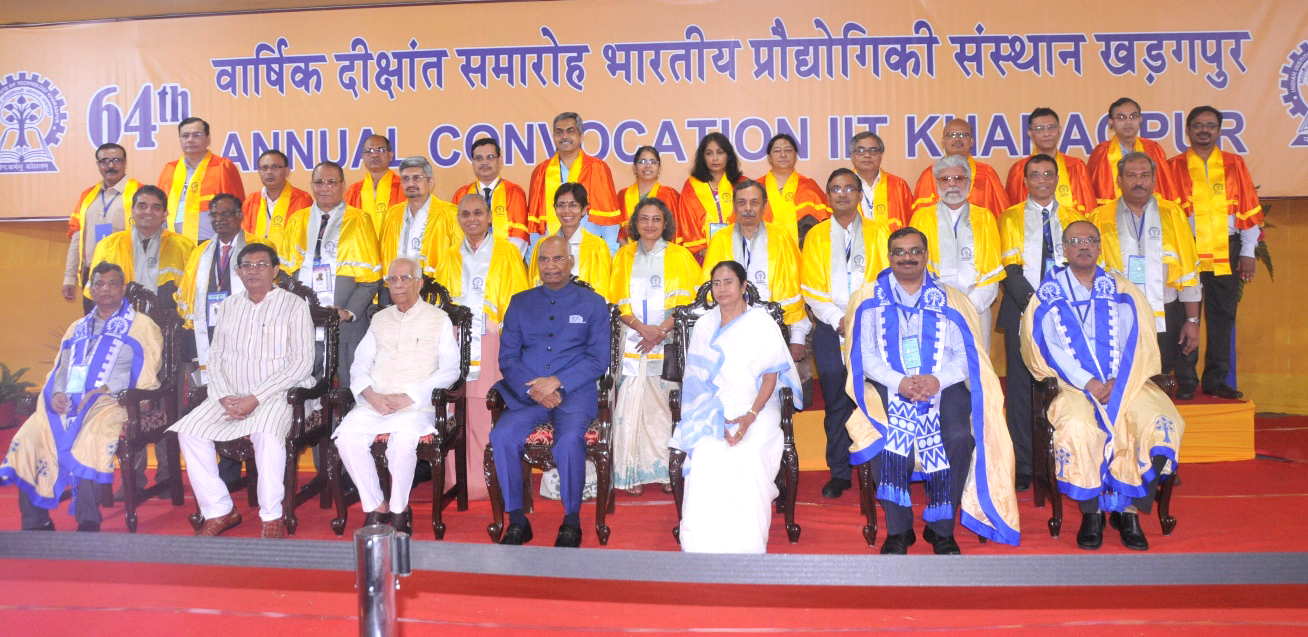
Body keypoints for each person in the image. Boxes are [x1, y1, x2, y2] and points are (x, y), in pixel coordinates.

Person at [844, 228, 1020, 554]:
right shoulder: (868, 298)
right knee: (881, 436)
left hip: (944, 386)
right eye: (899, 252)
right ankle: (899, 530)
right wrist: (900, 382)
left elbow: (967, 354)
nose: (907, 258)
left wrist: (936, 380)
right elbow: (862, 354)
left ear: (926, 256)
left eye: (914, 252)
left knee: (959, 436)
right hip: (888, 386)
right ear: (890, 256)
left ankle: (941, 529)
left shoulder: (951, 298)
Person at [1020, 221, 1184, 551]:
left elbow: (1139, 341)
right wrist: (1088, 382)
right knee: (1079, 426)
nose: (1084, 246)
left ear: (1099, 247)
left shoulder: (1122, 289)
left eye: (1090, 240)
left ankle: (1128, 511)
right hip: (1074, 387)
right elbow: (1045, 346)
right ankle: (1091, 512)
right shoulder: (1047, 295)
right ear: (1064, 249)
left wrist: (1117, 383)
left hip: (1128, 382)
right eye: (1076, 241)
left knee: (1159, 421)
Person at [1, 263, 162, 532]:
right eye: (99, 284)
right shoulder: (77, 327)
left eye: (112, 284)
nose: (105, 289)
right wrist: (58, 393)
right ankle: (36, 520)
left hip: (111, 402)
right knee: (27, 438)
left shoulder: (142, 326)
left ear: (122, 288)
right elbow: (61, 367)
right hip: (67, 403)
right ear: (90, 290)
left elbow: (147, 369)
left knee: (89, 439)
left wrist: (107, 389)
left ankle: (88, 518)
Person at [170, 242, 315, 538]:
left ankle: (272, 515)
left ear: (275, 270)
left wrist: (255, 398)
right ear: (238, 271)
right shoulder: (229, 306)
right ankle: (220, 509)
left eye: (261, 265)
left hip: (278, 393)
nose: (254, 271)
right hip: (231, 394)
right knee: (190, 431)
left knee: (266, 434)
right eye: (247, 265)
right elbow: (216, 357)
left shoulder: (294, 305)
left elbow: (302, 363)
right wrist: (223, 396)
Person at [670, 260, 803, 554]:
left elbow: (771, 376)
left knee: (748, 456)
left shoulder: (761, 322)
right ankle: (702, 548)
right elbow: (695, 379)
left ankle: (748, 547)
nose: (722, 289)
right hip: (713, 406)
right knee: (706, 456)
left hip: (758, 406)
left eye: (729, 282)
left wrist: (749, 417)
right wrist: (717, 415)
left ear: (744, 286)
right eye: (716, 283)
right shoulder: (705, 324)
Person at [491, 235, 611, 547]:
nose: (551, 266)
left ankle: (571, 520)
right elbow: (508, 358)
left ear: (571, 262)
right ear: (536, 264)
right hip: (528, 395)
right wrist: (536, 389)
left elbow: (598, 359)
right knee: (502, 436)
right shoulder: (520, 303)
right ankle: (517, 519)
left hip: (576, 393)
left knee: (569, 440)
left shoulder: (593, 304)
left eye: (558, 259)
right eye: (544, 259)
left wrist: (557, 381)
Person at [332, 258, 461, 532]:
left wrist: (410, 397)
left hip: (417, 406)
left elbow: (451, 369)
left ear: (420, 283)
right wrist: (369, 395)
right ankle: (376, 505)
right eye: (393, 280)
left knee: (401, 445)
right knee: (346, 439)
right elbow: (359, 364)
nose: (398, 284)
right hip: (375, 403)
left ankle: (400, 508)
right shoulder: (379, 319)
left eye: (405, 278)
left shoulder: (439, 319)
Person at [429, 194, 529, 500]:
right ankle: (458, 478)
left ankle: (493, 479)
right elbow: (439, 305)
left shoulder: (507, 252)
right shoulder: (448, 255)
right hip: (456, 343)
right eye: (465, 214)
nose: (471, 219)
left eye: (478, 213)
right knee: (455, 408)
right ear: (458, 220)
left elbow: (518, 302)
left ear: (489, 218)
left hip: (492, 341)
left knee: (489, 406)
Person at [997, 154, 1086, 492]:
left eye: (1048, 174)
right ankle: (1023, 465)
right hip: (1024, 313)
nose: (1042, 180)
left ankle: (1065, 459)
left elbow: (1084, 263)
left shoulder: (1076, 218)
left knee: (1068, 388)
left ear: (1057, 177)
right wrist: (1039, 306)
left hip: (1071, 317)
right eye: (1035, 175)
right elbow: (1009, 268)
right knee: (1020, 393)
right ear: (1026, 181)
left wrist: (1061, 306)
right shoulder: (1010, 218)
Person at [800, 168, 891, 499]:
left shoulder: (880, 232)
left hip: (873, 326)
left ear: (858, 195)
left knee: (876, 398)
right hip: (830, 328)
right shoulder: (816, 236)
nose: (842, 194)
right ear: (828, 196)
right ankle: (839, 471)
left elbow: (888, 280)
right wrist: (841, 319)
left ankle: (883, 470)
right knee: (836, 400)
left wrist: (861, 318)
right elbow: (810, 288)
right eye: (835, 189)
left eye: (849, 188)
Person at [1168, 106, 1263, 399]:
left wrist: (1248, 251)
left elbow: (1247, 210)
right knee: (1185, 315)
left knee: (1223, 315)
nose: (1203, 130)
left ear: (1219, 130)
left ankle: (1216, 380)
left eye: (1210, 125)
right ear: (1187, 130)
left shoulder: (1234, 164)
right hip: (1188, 249)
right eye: (1197, 125)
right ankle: (1185, 379)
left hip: (1227, 249)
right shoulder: (1174, 166)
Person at [1089, 152, 1201, 399]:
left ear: (1154, 180)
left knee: (1158, 384)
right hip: (1116, 316)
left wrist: (1192, 321)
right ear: (1119, 180)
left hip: (1163, 312)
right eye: (1131, 176)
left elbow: (1189, 272)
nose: (1138, 182)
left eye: (1145, 176)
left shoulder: (1172, 214)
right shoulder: (1099, 218)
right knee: (1120, 384)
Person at [607, 197, 700, 495]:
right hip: (632, 339)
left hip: (668, 342)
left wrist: (659, 331)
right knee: (630, 406)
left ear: (665, 223)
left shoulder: (681, 256)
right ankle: (631, 473)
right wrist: (642, 329)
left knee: (664, 408)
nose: (649, 224)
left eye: (656, 219)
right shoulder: (623, 256)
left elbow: (691, 302)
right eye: (644, 219)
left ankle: (665, 470)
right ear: (635, 223)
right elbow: (616, 301)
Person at [279, 161, 382, 387]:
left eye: (332, 182)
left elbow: (372, 279)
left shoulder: (360, 220)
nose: (325, 187)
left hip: (345, 324)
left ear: (343, 185)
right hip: (303, 323)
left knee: (352, 389)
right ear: (312, 186)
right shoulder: (297, 220)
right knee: (302, 388)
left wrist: (348, 312)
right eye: (319, 182)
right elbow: (284, 275)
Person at [700, 179, 809, 361]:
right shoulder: (721, 239)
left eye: (755, 202)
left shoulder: (781, 238)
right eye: (742, 203)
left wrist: (797, 337)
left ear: (764, 206)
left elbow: (793, 288)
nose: (748, 208)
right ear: (734, 207)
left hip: (773, 328)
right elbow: (708, 289)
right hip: (727, 330)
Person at [907, 155, 1004, 349]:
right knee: (935, 368)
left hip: (975, 308)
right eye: (945, 179)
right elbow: (913, 269)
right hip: (931, 309)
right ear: (936, 184)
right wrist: (936, 304)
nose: (952, 184)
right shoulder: (922, 218)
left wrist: (968, 306)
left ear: (968, 182)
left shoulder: (984, 218)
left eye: (959, 178)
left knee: (975, 371)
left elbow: (991, 274)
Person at [177, 193, 256, 382]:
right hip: (210, 328)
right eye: (213, 215)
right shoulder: (199, 253)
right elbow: (188, 295)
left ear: (240, 215)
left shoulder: (258, 247)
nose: (219, 219)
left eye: (225, 213)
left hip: (249, 329)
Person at [88, 185, 196, 310]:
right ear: (132, 210)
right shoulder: (108, 245)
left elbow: (191, 294)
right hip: (121, 324)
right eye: (142, 206)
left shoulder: (184, 247)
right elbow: (95, 294)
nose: (148, 211)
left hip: (170, 323)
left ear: (165, 214)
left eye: (156, 207)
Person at [527, 112, 623, 252]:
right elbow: (535, 224)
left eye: (570, 131)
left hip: (590, 253)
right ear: (553, 136)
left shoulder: (597, 168)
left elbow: (609, 221)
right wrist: (534, 257)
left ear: (581, 135)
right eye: (559, 132)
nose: (564, 136)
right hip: (551, 257)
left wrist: (610, 255)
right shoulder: (540, 172)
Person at [63, 143, 141, 312]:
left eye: (116, 160)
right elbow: (77, 239)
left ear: (125, 162)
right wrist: (69, 278)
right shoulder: (87, 196)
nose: (111, 165)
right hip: (93, 275)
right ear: (98, 164)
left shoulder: (139, 193)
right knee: (95, 329)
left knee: (127, 329)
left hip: (126, 275)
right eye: (104, 161)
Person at [377, 156, 458, 304]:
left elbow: (459, 260)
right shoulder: (391, 215)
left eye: (417, 178)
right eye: (405, 179)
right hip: (395, 293)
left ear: (430, 182)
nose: (411, 183)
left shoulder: (449, 213)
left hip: (434, 293)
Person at [156, 117, 245, 242]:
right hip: (173, 242)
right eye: (185, 136)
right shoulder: (170, 169)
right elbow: (159, 207)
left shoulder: (222, 166)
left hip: (211, 241)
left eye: (197, 135)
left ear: (208, 139)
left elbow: (237, 207)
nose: (190, 140)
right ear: (180, 140)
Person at [1087, 97, 1182, 207]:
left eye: (1133, 116)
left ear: (1140, 120)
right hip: (1113, 217)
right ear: (1111, 122)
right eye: (1121, 117)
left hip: (1151, 214)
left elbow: (1166, 188)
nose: (1128, 122)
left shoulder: (1153, 149)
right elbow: (1092, 195)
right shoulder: (1101, 153)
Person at [527, 183, 613, 298]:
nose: (566, 211)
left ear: (584, 209)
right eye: (561, 205)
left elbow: (602, 290)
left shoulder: (597, 246)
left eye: (573, 205)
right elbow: (534, 285)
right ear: (555, 209)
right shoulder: (542, 245)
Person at [1004, 108, 1095, 215]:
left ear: (1059, 131)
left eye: (1051, 128)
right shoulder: (1019, 170)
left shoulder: (1077, 166)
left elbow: (1090, 208)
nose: (1046, 133)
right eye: (1039, 129)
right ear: (1030, 133)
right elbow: (1012, 213)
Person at [912, 119, 1010, 217]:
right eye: (952, 135)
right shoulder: (930, 174)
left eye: (963, 135)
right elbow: (920, 218)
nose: (957, 139)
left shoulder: (987, 173)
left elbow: (1003, 215)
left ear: (971, 142)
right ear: (943, 141)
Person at [452, 137, 530, 258]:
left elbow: (519, 236)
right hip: (468, 263)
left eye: (490, 157)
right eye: (479, 158)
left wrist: (498, 262)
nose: (484, 162)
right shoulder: (462, 194)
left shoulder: (514, 192)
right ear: (472, 162)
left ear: (500, 161)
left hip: (505, 264)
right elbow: (456, 235)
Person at [676, 132, 746, 257]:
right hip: (703, 256)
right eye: (709, 153)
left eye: (720, 152)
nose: (715, 158)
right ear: (703, 157)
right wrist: (703, 251)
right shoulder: (692, 185)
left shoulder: (742, 184)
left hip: (738, 252)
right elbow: (688, 221)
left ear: (728, 155)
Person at [758, 133, 830, 247]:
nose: (783, 155)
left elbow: (826, 225)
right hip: (764, 256)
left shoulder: (809, 187)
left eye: (788, 150)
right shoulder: (756, 188)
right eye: (777, 151)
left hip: (804, 256)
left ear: (795, 155)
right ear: (769, 158)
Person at [242, 149, 312, 248]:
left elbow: (306, 238)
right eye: (264, 168)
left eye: (275, 167)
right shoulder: (251, 201)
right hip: (256, 260)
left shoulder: (302, 199)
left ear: (287, 171)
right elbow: (243, 236)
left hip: (290, 261)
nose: (269, 172)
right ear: (259, 172)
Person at [849, 131, 914, 232]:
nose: (867, 155)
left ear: (881, 155)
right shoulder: (844, 186)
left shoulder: (898, 185)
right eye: (861, 150)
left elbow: (911, 223)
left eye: (873, 150)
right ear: (852, 156)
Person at [619, 146, 681, 240]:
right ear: (634, 168)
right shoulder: (622, 195)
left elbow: (675, 233)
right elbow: (618, 233)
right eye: (642, 161)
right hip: (628, 251)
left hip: (663, 252)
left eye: (652, 162)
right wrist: (631, 252)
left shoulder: (670, 195)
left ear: (659, 168)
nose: (648, 165)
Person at [345, 134, 405, 233]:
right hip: (363, 247)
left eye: (380, 150)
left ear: (390, 155)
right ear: (363, 157)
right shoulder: (354, 191)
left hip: (396, 247)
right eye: (369, 151)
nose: (374, 155)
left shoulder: (403, 187)